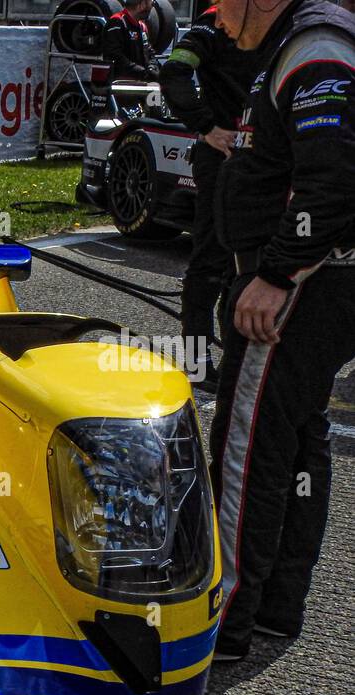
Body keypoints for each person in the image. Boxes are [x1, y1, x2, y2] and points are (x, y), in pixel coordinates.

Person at [208, 0, 355, 661]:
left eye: (222, 5)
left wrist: (275, 272)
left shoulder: (315, 43)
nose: (215, 20)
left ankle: (223, 620)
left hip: (298, 289)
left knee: (245, 449)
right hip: (317, 287)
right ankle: (275, 607)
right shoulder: (305, 41)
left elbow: (336, 178)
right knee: (298, 440)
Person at [159, 5, 258, 381]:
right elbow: (173, 72)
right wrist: (206, 126)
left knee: (246, 262)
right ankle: (197, 361)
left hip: (262, 163)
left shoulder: (278, 23)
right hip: (222, 158)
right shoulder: (215, 22)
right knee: (210, 260)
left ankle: (235, 356)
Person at [102, 0, 161, 82]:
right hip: (121, 83)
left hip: (141, 82)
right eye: (152, 3)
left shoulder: (142, 27)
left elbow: (150, 53)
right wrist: (142, 72)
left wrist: (152, 68)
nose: (152, 6)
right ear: (142, 4)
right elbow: (115, 57)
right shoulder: (117, 23)